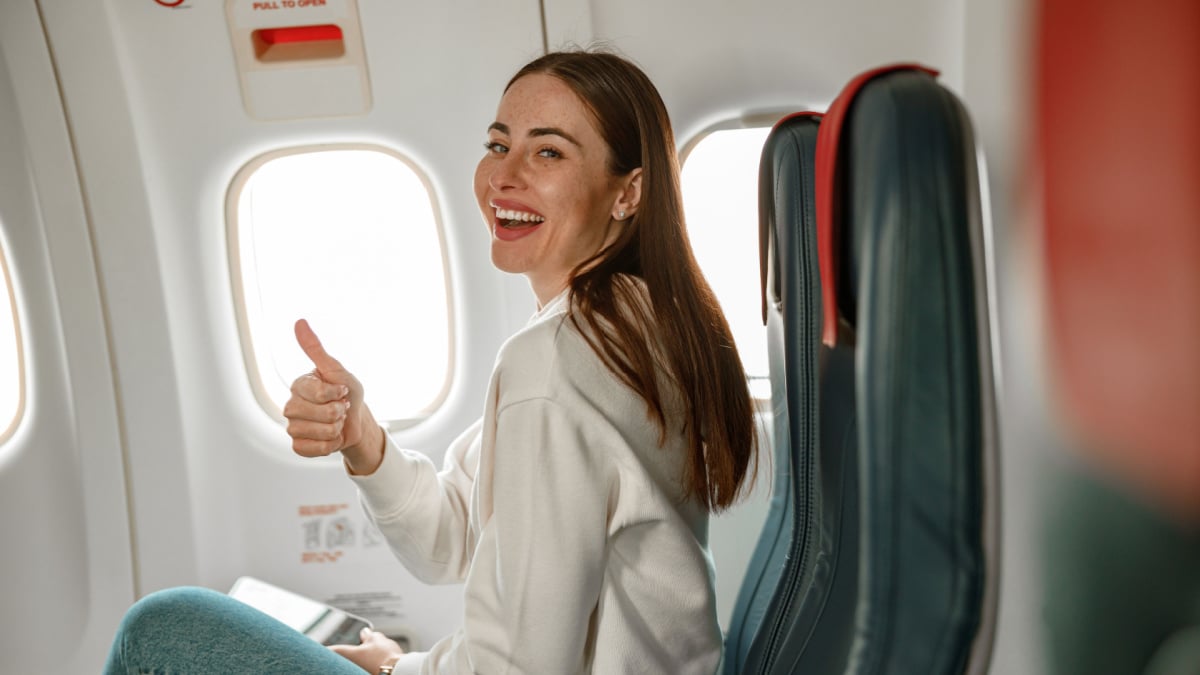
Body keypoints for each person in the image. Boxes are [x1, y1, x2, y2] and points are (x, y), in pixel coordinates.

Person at [103, 48, 756, 675]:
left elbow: (517, 669)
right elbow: (451, 535)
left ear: (628, 192)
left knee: (162, 629)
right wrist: (361, 437)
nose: (502, 177)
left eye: (548, 151)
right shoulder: (632, 325)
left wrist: (395, 667)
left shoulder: (558, 361)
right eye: (498, 145)